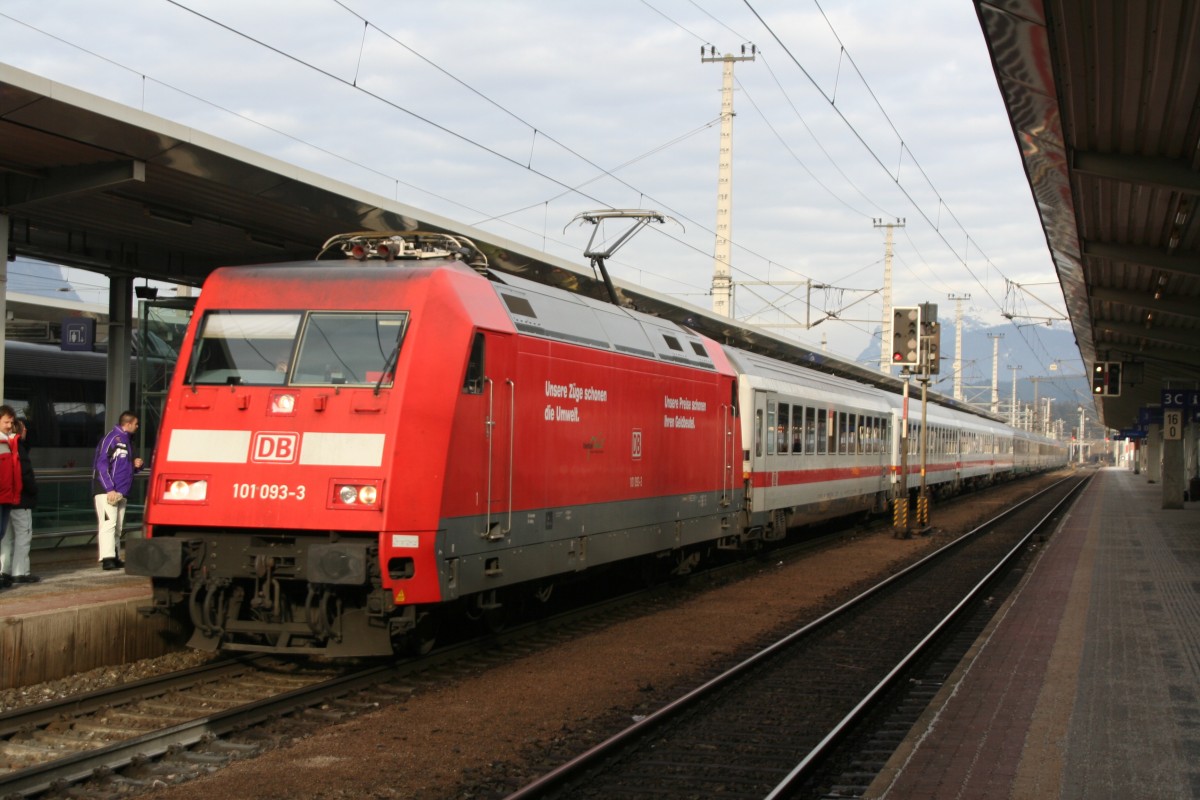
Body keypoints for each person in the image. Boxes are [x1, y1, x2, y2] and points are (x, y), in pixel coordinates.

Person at [92, 410, 144, 570]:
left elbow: (119, 466)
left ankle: (113, 555)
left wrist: (136, 466)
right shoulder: (113, 439)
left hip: (120, 490)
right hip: (109, 490)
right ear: (127, 424)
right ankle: (108, 558)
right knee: (109, 524)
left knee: (117, 525)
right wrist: (109, 488)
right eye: (136, 424)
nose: (137, 427)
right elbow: (101, 465)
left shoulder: (125, 441)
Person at [0, 419, 39, 584]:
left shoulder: (7, 445)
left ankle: (4, 571)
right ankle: (20, 572)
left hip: (7, 500)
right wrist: (34, 490)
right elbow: (25, 474)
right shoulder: (19, 448)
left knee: (6, 538)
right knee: (23, 535)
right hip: (21, 501)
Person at [0, 406, 23, 590]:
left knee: (1, 535)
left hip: (7, 496)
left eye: (11, 422)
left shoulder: (11, 442)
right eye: (6, 422)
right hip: (2, 495)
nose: (9, 425)